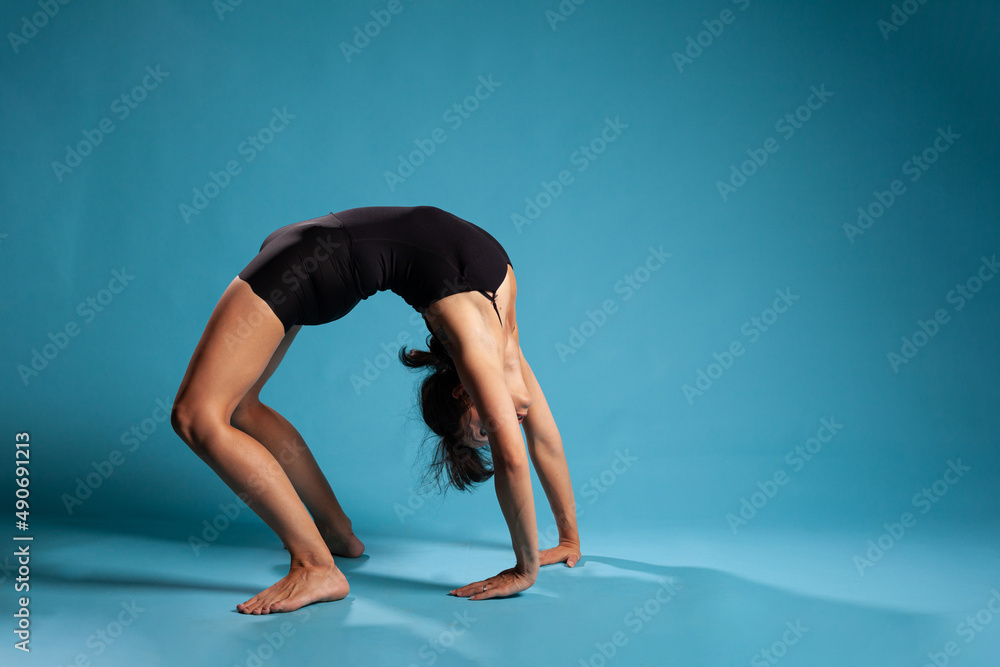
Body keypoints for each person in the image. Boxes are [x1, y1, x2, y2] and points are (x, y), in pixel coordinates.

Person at [170, 205, 581, 614]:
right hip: (314, 255)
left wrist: (568, 538)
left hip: (316, 248)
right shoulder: (479, 345)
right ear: (463, 393)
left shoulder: (504, 345)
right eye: (487, 428)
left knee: (229, 408)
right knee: (198, 416)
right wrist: (525, 570)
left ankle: (330, 538)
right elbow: (514, 459)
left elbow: (544, 441)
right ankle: (319, 559)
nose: (501, 425)